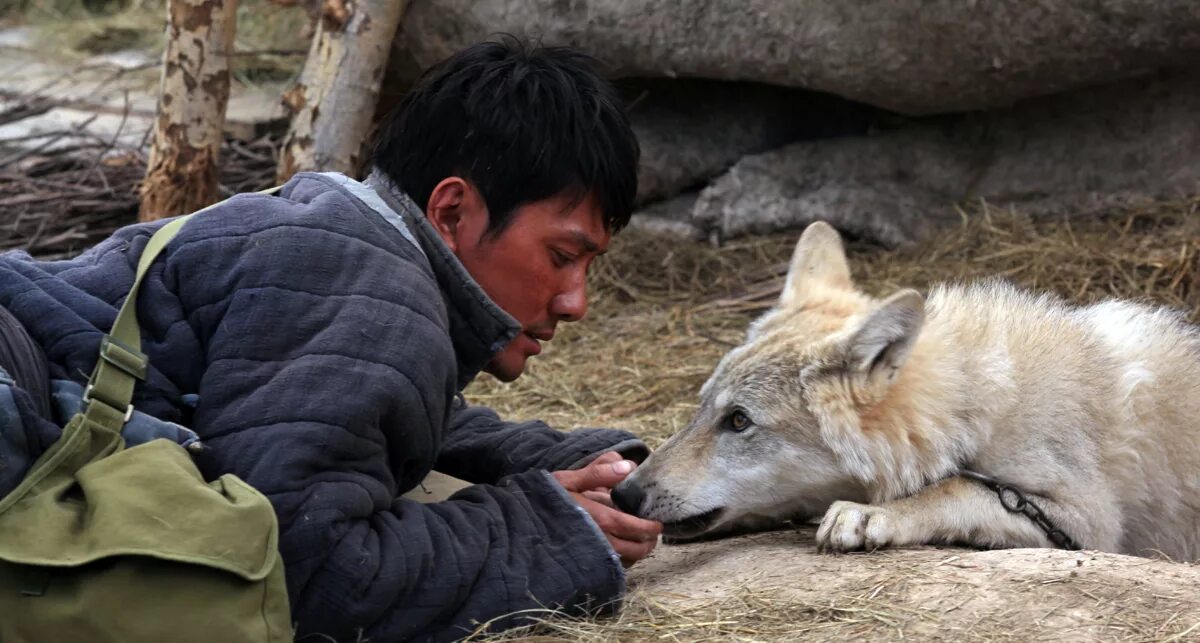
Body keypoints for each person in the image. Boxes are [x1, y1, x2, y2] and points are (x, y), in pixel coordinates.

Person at [0, 38, 663, 641]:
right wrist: (544, 532)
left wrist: (565, 457)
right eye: (561, 254)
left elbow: (365, 415)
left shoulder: (347, 237)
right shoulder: (376, 290)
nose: (576, 301)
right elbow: (309, 572)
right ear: (453, 211)